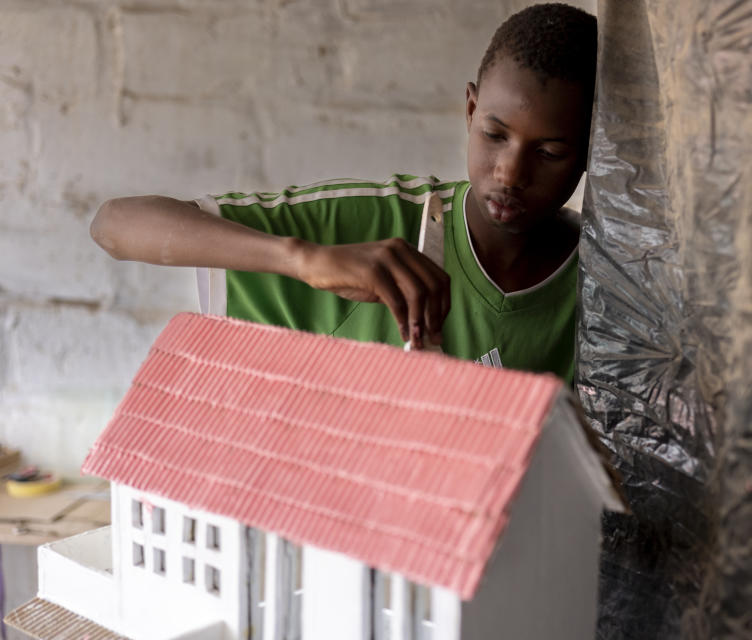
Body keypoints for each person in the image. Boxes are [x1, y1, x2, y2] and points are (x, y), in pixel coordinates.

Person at [90, 3, 597, 383]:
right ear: (469, 111)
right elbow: (114, 225)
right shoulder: (376, 227)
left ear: (595, 147)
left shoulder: (604, 285)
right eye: (494, 134)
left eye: (550, 152)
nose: (510, 173)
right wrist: (304, 259)